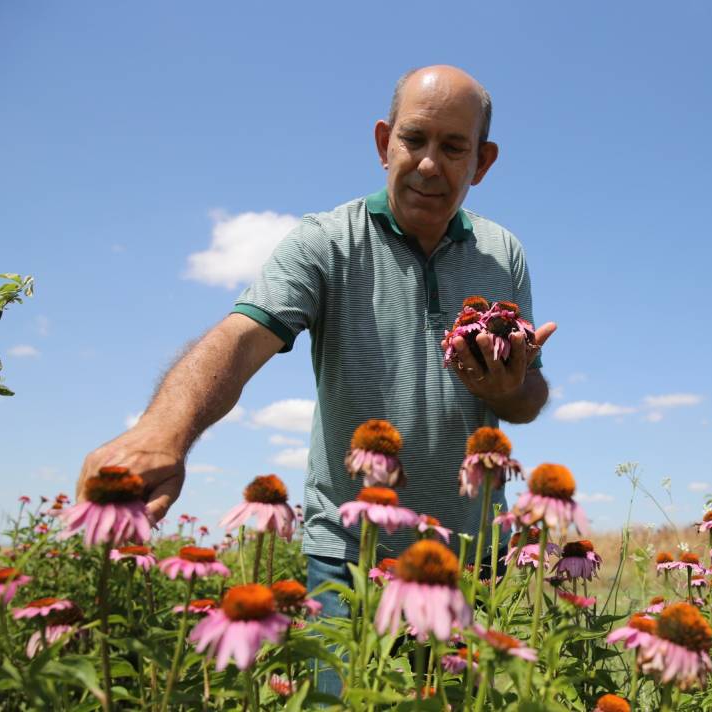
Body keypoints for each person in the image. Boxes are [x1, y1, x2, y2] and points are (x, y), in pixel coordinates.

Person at [74, 62, 556, 656]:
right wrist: (163, 431)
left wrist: (508, 388)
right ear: (385, 143)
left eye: (454, 147)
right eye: (414, 139)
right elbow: (243, 336)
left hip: (471, 552)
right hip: (349, 553)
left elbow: (528, 398)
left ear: (482, 163)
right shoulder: (326, 241)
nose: (430, 163)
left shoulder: (503, 253)